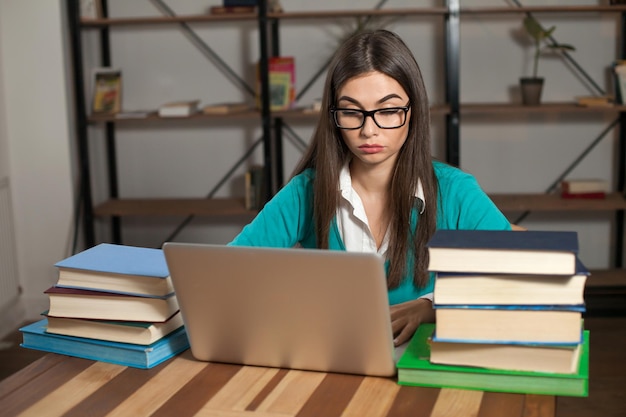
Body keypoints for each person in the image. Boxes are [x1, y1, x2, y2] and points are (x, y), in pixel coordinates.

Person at [229, 29, 511, 346]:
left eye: (388, 111)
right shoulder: (306, 190)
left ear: (413, 112)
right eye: (351, 112)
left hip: (419, 367)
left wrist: (429, 308)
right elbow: (232, 272)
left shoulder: (455, 191)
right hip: (333, 359)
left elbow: (515, 277)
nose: (368, 130)